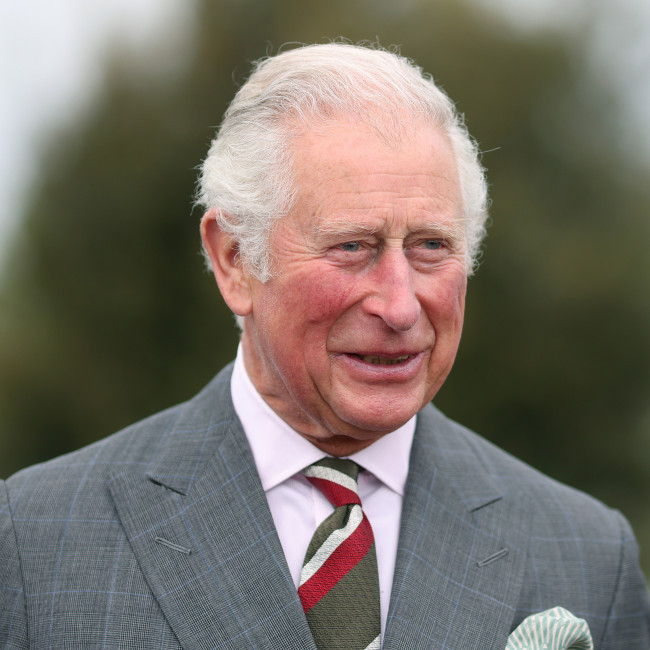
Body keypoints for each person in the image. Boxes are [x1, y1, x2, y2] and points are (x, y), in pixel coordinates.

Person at [0, 42, 648, 649]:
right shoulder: (37, 542)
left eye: (430, 246)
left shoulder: (588, 557)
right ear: (234, 259)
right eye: (352, 247)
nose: (400, 306)